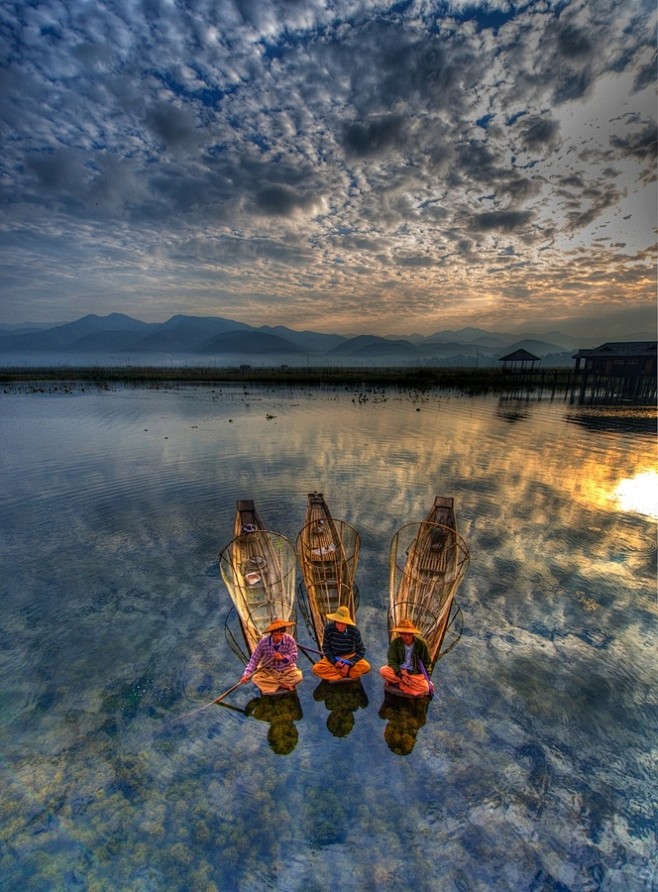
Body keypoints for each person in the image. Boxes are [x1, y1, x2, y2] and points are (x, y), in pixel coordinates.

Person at [240, 619, 303, 695]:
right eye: (276, 635)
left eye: (281, 635)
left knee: (298, 676)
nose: (278, 638)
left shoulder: (290, 640)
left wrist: (283, 658)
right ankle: (283, 684)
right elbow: (254, 659)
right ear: (272, 634)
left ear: (284, 633)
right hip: (268, 669)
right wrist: (246, 674)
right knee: (255, 678)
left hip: (286, 669)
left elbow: (294, 656)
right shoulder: (264, 642)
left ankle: (273, 685)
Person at [312, 605, 371, 682]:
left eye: (343, 623)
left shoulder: (354, 631)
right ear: (335, 621)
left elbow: (361, 651)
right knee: (316, 669)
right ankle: (344, 675)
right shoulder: (329, 628)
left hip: (349, 656)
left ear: (347, 623)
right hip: (335, 656)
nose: (340, 626)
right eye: (338, 623)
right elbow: (326, 648)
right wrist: (334, 662)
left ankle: (338, 674)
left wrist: (348, 664)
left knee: (366, 667)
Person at [379, 618, 432, 697]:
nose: (407, 637)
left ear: (412, 634)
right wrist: (401, 675)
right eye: (404, 634)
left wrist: (427, 677)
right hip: (400, 670)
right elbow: (392, 661)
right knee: (383, 670)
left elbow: (427, 662)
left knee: (426, 688)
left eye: (409, 634)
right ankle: (404, 683)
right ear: (400, 634)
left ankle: (399, 684)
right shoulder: (396, 643)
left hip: (414, 672)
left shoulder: (421, 643)